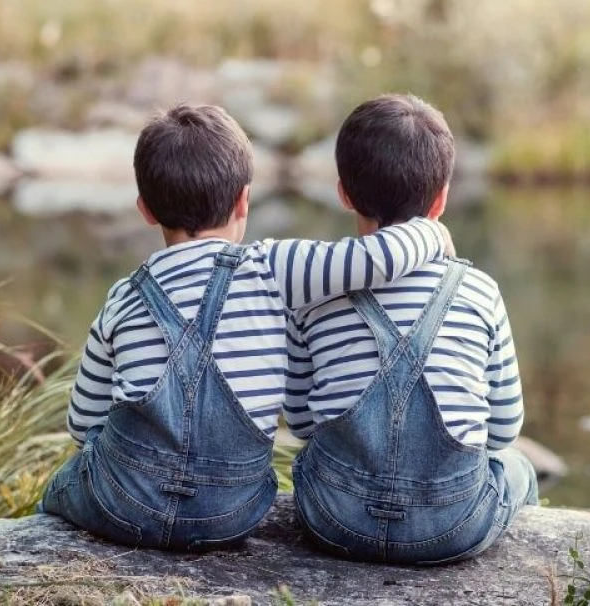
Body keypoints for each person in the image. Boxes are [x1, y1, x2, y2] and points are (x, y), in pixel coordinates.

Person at [38, 103, 451, 552]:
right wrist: (433, 234)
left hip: (124, 503)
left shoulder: (123, 296)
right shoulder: (274, 268)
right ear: (243, 201)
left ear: (145, 209)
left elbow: (82, 426)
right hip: (231, 510)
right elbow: (376, 258)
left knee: (64, 481)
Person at [284, 93, 537, 564]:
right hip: (452, 524)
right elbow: (503, 430)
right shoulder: (479, 291)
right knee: (519, 467)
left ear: (343, 192)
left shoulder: (313, 294)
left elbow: (300, 423)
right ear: (441, 198)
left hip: (334, 517)